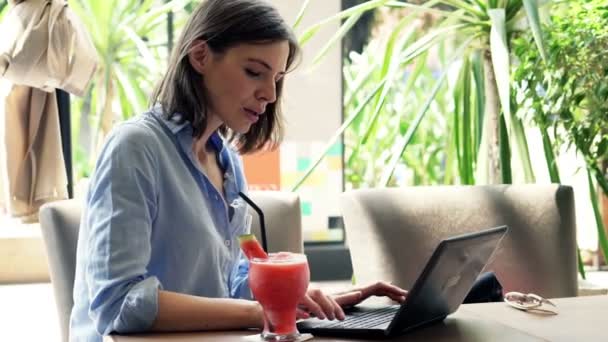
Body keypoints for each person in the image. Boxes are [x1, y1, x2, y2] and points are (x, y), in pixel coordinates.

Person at [70, 0, 408, 341]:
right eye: (254, 72)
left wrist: (295, 301)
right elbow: (117, 305)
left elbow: (230, 279)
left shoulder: (227, 163)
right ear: (200, 56)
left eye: (276, 78)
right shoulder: (134, 148)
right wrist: (259, 313)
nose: (270, 94)